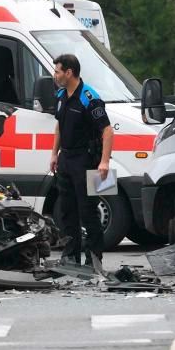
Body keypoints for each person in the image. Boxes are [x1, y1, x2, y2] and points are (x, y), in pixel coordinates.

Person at [48, 53, 114, 269]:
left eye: (58, 71)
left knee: (89, 212)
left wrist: (104, 162)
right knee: (67, 211)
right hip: (66, 159)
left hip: (88, 160)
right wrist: (54, 154)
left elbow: (107, 130)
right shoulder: (60, 96)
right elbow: (59, 126)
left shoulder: (89, 97)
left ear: (69, 72)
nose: (55, 75)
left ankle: (94, 259)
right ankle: (71, 256)